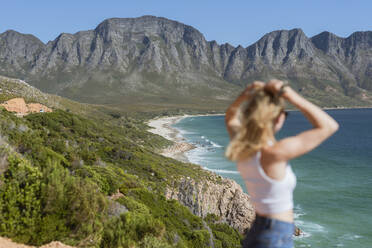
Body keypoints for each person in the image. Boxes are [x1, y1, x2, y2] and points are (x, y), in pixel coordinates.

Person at [224, 79, 339, 248]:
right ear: (278, 118)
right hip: (274, 236)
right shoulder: (274, 153)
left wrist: (246, 94)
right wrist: (288, 93)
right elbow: (329, 126)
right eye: (285, 114)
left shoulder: (242, 147)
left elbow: (231, 116)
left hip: (260, 231)